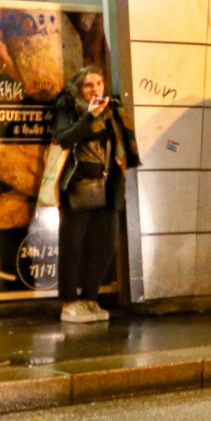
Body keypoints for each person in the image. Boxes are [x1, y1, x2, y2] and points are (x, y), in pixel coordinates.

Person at [53, 67, 138, 324]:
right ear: (80, 88)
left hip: (108, 185)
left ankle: (90, 298)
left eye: (99, 83)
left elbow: (123, 141)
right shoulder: (69, 106)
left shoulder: (113, 109)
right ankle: (69, 301)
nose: (95, 88)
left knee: (104, 246)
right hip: (78, 186)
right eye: (89, 85)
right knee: (73, 245)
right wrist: (88, 116)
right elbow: (64, 138)